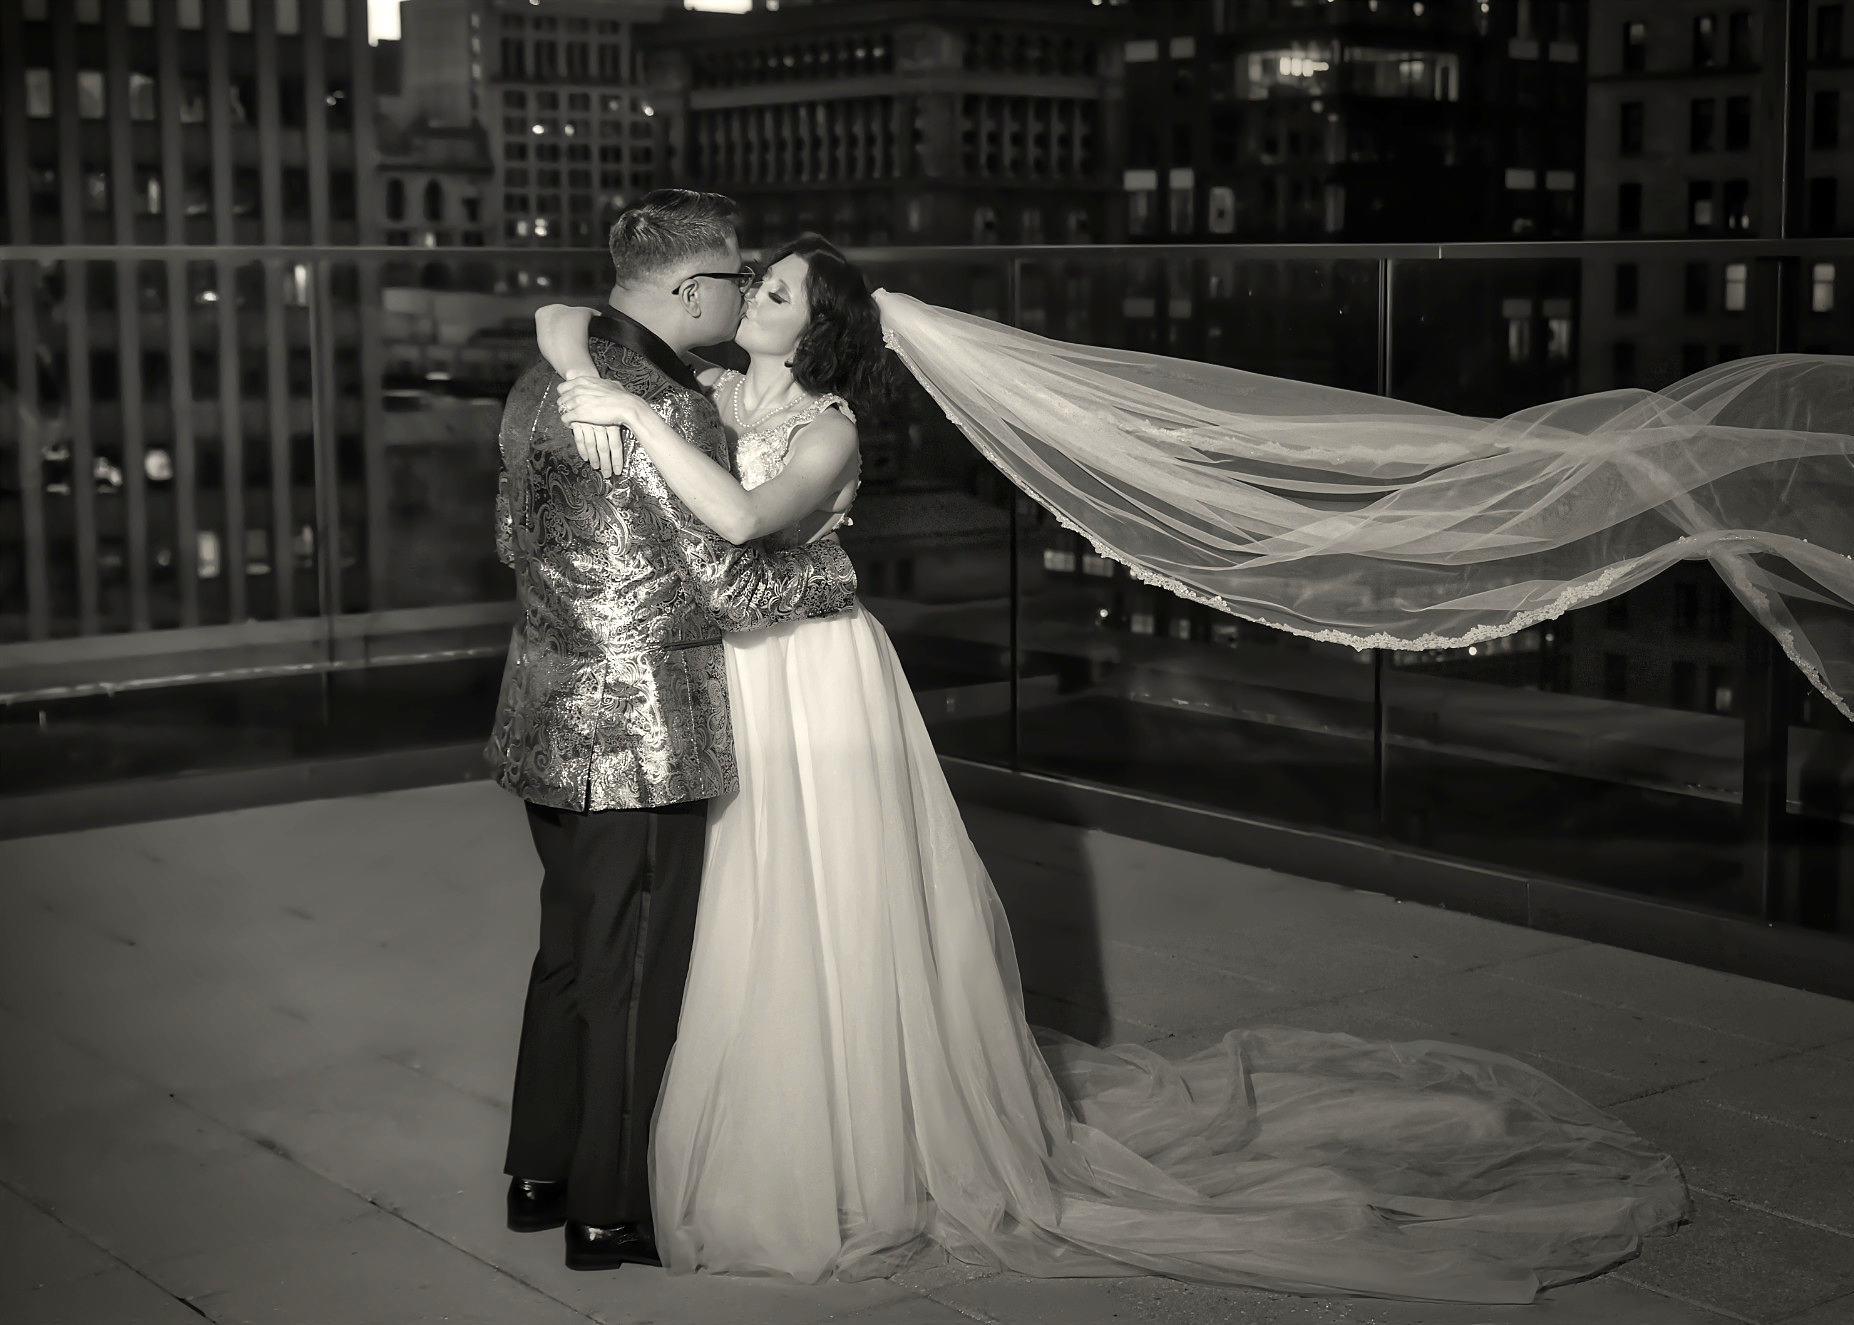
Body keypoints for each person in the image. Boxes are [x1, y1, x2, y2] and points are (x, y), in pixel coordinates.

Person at [532, 235, 1688, 1302]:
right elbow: (563, 315)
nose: (751, 295)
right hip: (737, 670)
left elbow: (734, 519)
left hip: (816, 672)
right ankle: (751, 1128)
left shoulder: (825, 427)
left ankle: (852, 1146)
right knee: (741, 897)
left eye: (773, 289)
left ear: (814, 328)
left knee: (824, 900)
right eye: (752, 281)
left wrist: (632, 426)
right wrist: (586, 365)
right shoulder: (719, 393)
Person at [488, 192, 862, 1274]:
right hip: (643, 731)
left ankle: (537, 1169)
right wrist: (834, 571)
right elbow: (724, 585)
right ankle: (608, 1212)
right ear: (691, 291)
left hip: (541, 709)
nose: (745, 292)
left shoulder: (537, 389)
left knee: (565, 952)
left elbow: (511, 539)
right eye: (738, 277)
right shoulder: (670, 411)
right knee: (634, 971)